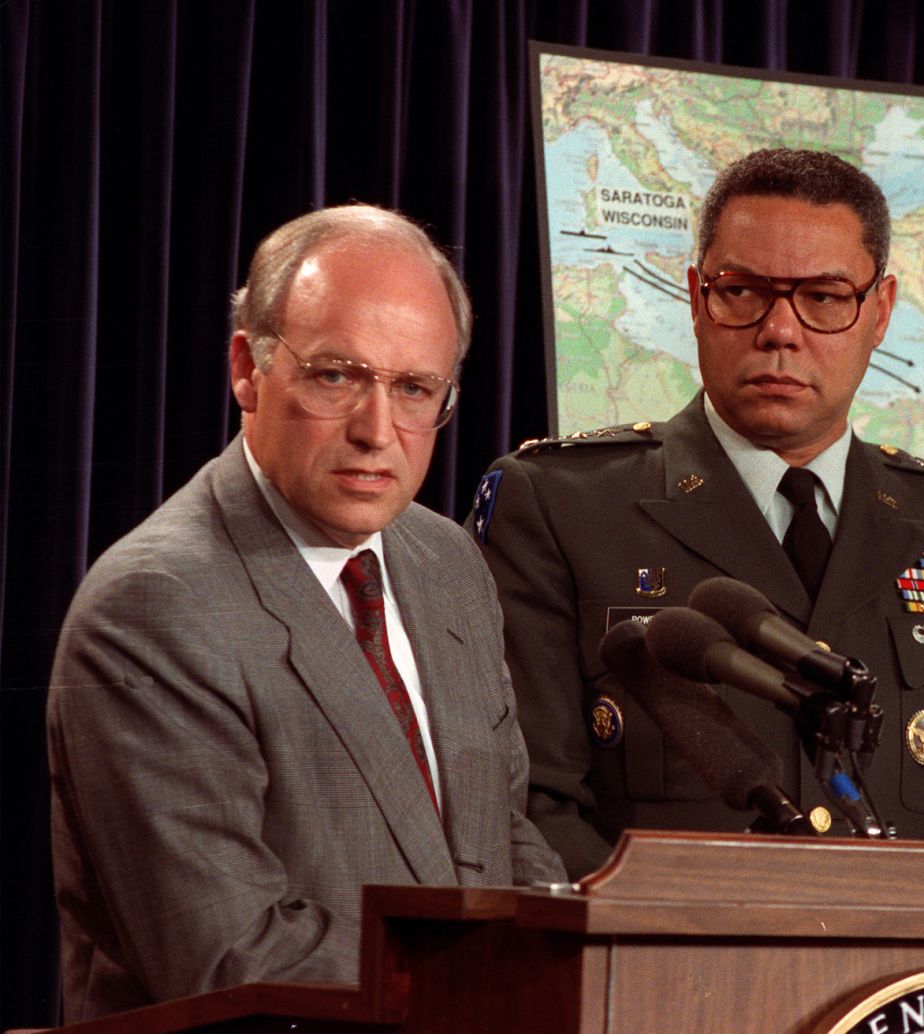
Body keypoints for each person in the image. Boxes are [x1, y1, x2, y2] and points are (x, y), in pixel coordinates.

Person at [470, 149, 924, 879]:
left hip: (902, 985)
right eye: (743, 290)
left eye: (823, 297)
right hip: (650, 976)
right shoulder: (560, 506)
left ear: (879, 312)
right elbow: (527, 807)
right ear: (695, 298)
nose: (780, 331)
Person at [47, 205, 566, 1022]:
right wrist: (498, 984)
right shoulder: (156, 606)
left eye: (413, 389)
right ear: (247, 369)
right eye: (337, 375)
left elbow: (503, 833)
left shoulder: (447, 561)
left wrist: (580, 953)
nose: (377, 430)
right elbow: (228, 955)